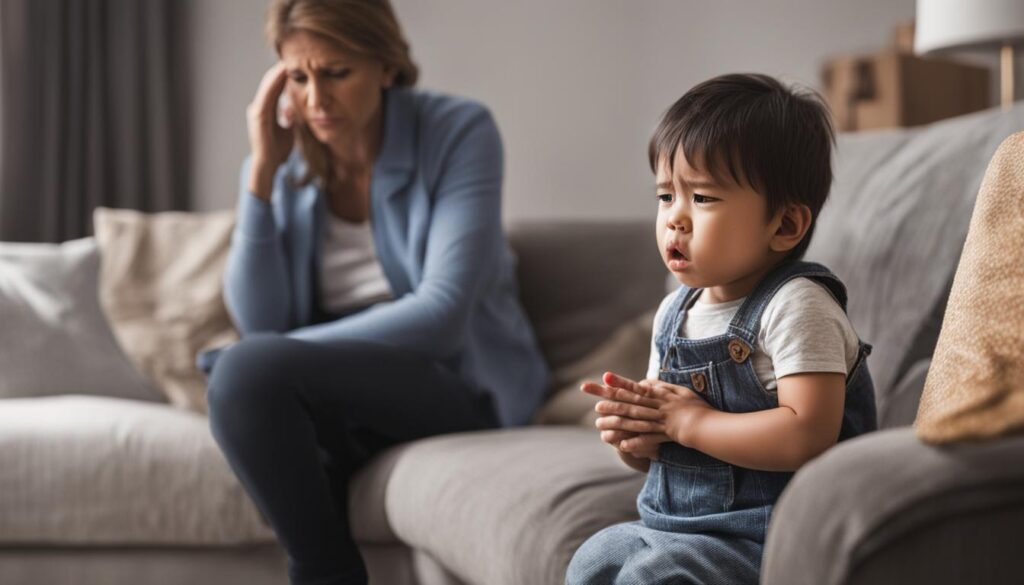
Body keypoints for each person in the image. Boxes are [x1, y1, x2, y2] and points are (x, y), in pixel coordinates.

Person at [200, 1, 548, 584]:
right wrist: (260, 174)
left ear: (387, 66)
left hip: (452, 381)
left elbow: (440, 317)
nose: (316, 100)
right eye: (299, 77)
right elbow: (260, 321)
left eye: (337, 73)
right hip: (330, 391)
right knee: (247, 390)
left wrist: (272, 358)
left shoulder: (460, 131)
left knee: (245, 374)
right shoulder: (286, 162)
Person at [565, 73, 877, 585]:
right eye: (666, 196)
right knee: (594, 560)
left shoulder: (798, 306)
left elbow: (809, 434)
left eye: (703, 199)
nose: (675, 220)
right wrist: (638, 439)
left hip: (770, 541)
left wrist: (689, 424)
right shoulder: (673, 313)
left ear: (784, 226)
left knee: (654, 576)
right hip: (672, 529)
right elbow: (668, 447)